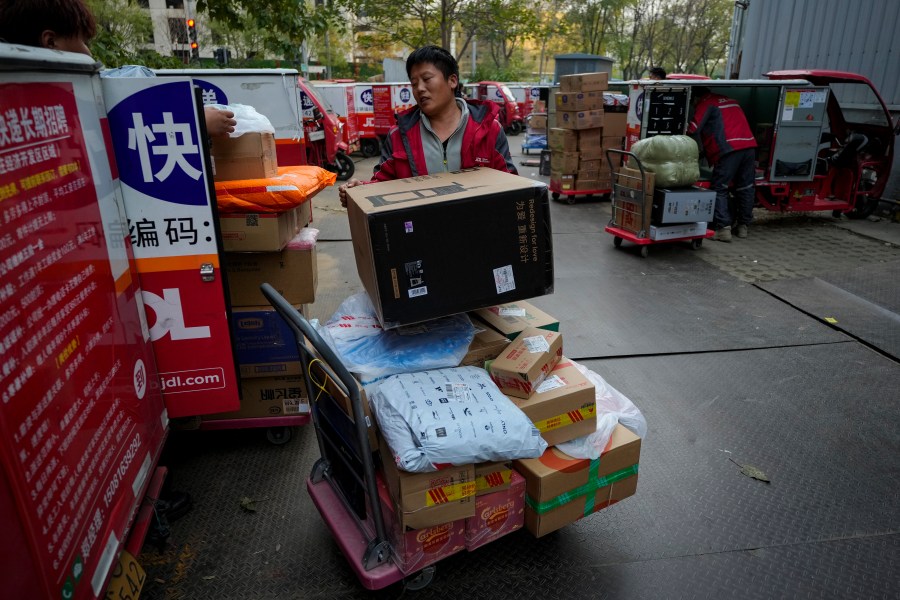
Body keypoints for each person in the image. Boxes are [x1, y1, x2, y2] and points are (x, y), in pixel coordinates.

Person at [0, 0, 236, 137]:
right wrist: (193, 122)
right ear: (51, 42)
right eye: (84, 41)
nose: (89, 53)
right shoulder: (82, 103)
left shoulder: (20, 110)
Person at [339, 45, 517, 207]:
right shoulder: (398, 135)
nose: (420, 89)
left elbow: (512, 185)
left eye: (427, 79)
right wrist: (360, 191)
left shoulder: (488, 129)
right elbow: (384, 186)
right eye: (414, 83)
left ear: (452, 81)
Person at [687, 86, 757, 242]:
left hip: (729, 149)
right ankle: (743, 227)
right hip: (749, 147)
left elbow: (693, 129)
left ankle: (723, 229)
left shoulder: (706, 103)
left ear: (696, 98)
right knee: (745, 187)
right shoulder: (731, 100)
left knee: (720, 187)